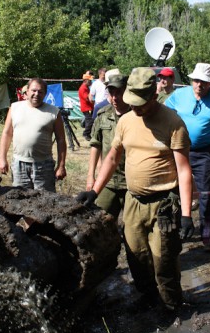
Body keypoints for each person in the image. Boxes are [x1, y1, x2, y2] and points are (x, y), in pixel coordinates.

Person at [76, 67, 193, 312]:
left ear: (154, 96)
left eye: (141, 102)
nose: (136, 107)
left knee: (164, 260)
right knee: (136, 255)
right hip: (133, 201)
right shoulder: (126, 121)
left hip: (164, 203)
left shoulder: (173, 123)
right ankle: (148, 297)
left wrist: (186, 215)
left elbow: (183, 170)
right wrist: (95, 190)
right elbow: (112, 157)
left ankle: (171, 305)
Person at [165, 62, 210, 249]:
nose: (199, 85)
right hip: (178, 150)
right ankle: (176, 231)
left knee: (205, 194)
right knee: (174, 190)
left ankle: (208, 237)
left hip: (204, 152)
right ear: (192, 80)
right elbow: (164, 112)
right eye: (196, 80)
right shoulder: (179, 95)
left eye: (204, 81)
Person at [0, 78, 67, 192]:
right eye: (33, 90)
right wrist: (2, 158)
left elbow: (61, 140)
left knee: (45, 201)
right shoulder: (15, 108)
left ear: (45, 93)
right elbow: (7, 133)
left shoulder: (54, 112)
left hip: (43, 165)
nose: (36, 94)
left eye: (40, 91)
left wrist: (61, 165)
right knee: (20, 200)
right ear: (27, 91)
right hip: (19, 164)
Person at [86, 71, 131, 219]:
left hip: (132, 182)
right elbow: (95, 145)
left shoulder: (136, 115)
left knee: (132, 228)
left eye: (119, 92)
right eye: (111, 93)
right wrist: (90, 176)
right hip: (108, 180)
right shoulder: (103, 114)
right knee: (101, 220)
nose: (115, 97)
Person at [79, 71, 95, 141]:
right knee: (90, 121)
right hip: (86, 108)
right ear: (85, 81)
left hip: (89, 107)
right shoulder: (83, 88)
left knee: (90, 120)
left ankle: (87, 132)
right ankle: (86, 134)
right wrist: (94, 100)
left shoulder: (86, 87)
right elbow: (87, 98)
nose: (91, 82)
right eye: (90, 81)